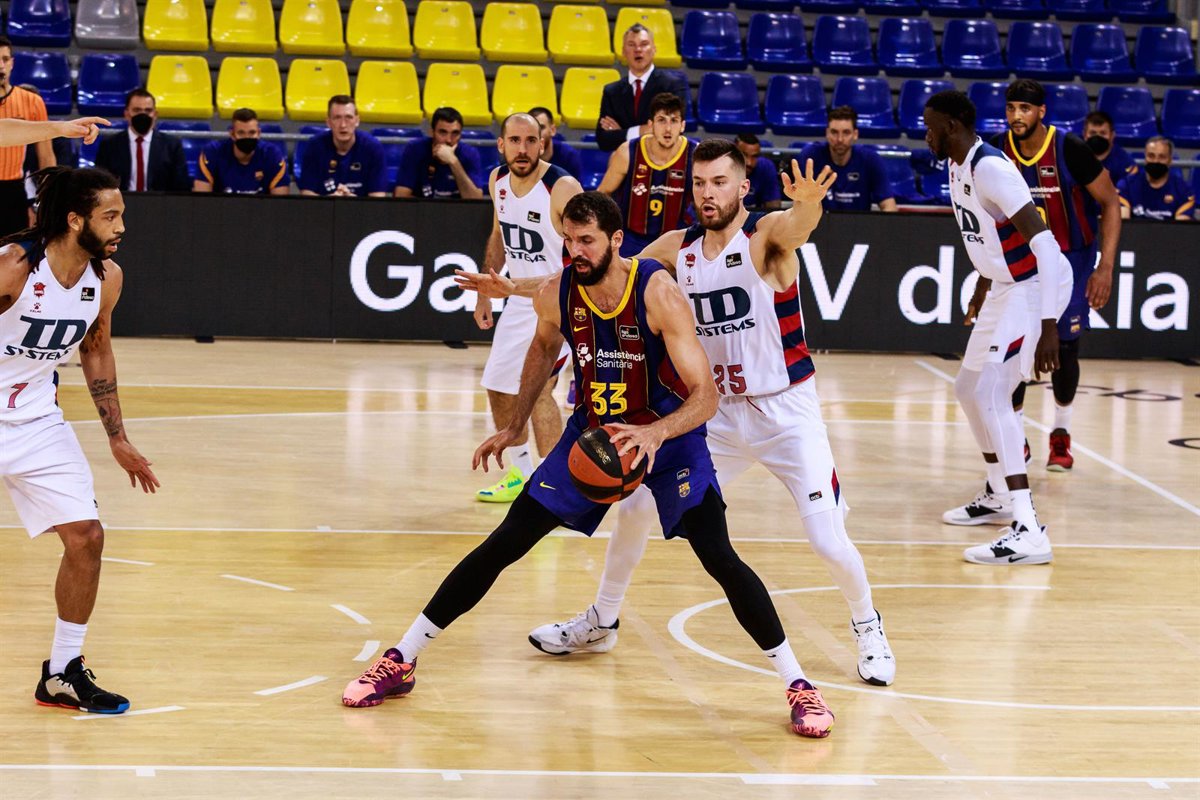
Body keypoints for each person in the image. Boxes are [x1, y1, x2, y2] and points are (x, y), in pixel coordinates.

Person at [346, 191, 838, 739]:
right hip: (596, 434)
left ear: (615, 241)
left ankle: (798, 685)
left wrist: (655, 434)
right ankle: (402, 658)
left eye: (587, 241)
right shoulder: (557, 292)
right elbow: (541, 350)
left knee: (718, 555)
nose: (575, 251)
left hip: (667, 436)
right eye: (569, 240)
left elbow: (706, 395)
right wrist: (514, 424)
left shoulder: (657, 292)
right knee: (507, 541)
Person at [463, 143, 896, 688]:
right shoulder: (676, 247)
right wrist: (513, 287)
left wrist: (809, 203)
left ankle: (867, 624)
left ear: (743, 188)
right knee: (634, 506)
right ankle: (602, 620)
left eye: (719, 182)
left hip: (785, 412)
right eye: (699, 183)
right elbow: (605, 272)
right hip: (712, 412)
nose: (707, 193)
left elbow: (798, 225)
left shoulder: (764, 238)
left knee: (828, 540)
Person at [0, 166, 160, 713]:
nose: (121, 226)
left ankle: (62, 672)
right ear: (74, 220)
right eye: (109, 216)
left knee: (87, 537)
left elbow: (95, 349)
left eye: (121, 215)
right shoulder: (15, 267)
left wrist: (118, 438)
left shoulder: (105, 278)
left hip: (35, 420)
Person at [923, 90, 1072, 565]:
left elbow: (1045, 246)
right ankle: (998, 494)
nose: (925, 135)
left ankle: (1028, 530)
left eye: (930, 126)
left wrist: (1049, 326)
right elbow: (990, 238)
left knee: (994, 394)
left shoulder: (991, 168)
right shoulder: (956, 165)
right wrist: (983, 285)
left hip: (1036, 287)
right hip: (1005, 286)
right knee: (968, 389)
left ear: (952, 125)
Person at [473, 113, 581, 503]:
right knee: (499, 386)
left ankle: (557, 486)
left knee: (538, 391)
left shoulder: (562, 187)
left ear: (542, 143)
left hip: (560, 302)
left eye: (531, 141)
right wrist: (485, 291)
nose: (523, 149)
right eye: (515, 141)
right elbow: (498, 235)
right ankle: (521, 474)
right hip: (519, 301)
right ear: (501, 144)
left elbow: (583, 256)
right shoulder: (497, 180)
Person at [598, 92, 695, 257]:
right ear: (651, 125)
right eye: (661, 120)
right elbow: (603, 193)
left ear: (682, 126)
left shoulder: (695, 154)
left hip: (675, 240)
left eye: (674, 121)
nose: (668, 128)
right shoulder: (628, 151)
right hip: (630, 238)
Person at [595, 24, 690, 153]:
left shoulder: (673, 85)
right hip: (626, 163)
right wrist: (642, 130)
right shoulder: (612, 91)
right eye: (631, 45)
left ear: (654, 49)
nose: (638, 49)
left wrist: (623, 133)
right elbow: (603, 140)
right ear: (623, 51)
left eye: (644, 44)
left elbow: (672, 130)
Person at [0, 38, 54, 237]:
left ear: (12, 63)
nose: (0, 65)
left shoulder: (32, 102)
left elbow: (46, 157)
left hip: (13, 191)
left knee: (12, 251)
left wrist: (48, 200)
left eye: (5, 59)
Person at [798, 107, 897, 213]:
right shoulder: (810, 158)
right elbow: (799, 205)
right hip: (818, 221)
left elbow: (889, 205)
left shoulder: (870, 160)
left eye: (846, 132)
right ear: (827, 133)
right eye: (834, 132)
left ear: (855, 134)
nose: (840, 139)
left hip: (859, 222)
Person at [94, 88, 191, 193]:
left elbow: (181, 187)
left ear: (155, 114)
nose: (143, 115)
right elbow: (100, 185)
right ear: (127, 114)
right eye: (137, 110)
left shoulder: (172, 145)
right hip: (121, 200)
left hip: (160, 201)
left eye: (148, 110)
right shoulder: (109, 145)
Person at [298, 96, 388, 198]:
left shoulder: (373, 148)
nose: (343, 125)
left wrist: (352, 202)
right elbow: (306, 193)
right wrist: (331, 202)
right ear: (328, 122)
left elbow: (378, 196)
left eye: (348, 117)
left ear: (357, 121)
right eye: (337, 118)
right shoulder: (314, 146)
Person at [393, 107, 484, 200]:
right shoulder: (415, 149)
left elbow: (475, 201)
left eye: (455, 133)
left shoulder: (469, 154)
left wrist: (453, 162)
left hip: (457, 210)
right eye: (443, 132)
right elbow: (401, 197)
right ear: (432, 132)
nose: (449, 140)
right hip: (423, 209)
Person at [193, 108, 289, 195]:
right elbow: (202, 199)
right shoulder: (212, 152)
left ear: (259, 133)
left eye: (252, 133)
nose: (247, 137)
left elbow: (280, 203)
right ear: (232, 134)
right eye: (241, 133)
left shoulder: (272, 154)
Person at [1117, 137, 1194, 222]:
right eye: (1151, 156)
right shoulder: (1126, 185)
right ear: (1145, 158)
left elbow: (1182, 228)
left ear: (1170, 160)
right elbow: (1123, 223)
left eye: (1162, 157)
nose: (1156, 161)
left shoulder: (1183, 190)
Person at [1082, 111, 1138, 188]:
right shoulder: (1076, 158)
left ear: (1112, 135)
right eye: (1093, 133)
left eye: (1103, 133)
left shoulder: (1124, 161)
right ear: (1084, 135)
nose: (1097, 137)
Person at [529, 106, 582, 181]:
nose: (536, 133)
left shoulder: (569, 156)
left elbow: (576, 187)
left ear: (552, 130)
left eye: (541, 127)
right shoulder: (521, 156)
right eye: (531, 128)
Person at [736, 133, 781, 211]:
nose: (749, 162)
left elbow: (774, 207)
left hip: (755, 216)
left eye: (754, 156)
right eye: (744, 155)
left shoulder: (766, 167)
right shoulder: (722, 167)